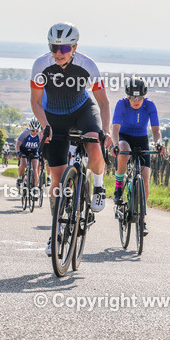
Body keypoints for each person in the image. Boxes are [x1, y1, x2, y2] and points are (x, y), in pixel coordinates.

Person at [31, 22, 111, 257]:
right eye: (54, 47)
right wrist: (46, 127)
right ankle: (56, 231)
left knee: (94, 145)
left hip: (82, 110)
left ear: (74, 47)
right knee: (57, 181)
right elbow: (36, 102)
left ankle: (97, 185)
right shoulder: (40, 66)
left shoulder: (88, 66)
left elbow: (104, 103)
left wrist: (104, 131)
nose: (58, 52)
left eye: (64, 48)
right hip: (53, 117)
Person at [110, 77, 163, 235]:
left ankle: (141, 218)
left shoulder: (150, 105)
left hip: (141, 139)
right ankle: (119, 186)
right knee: (124, 149)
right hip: (125, 137)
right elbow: (115, 130)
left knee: (145, 179)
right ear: (127, 96)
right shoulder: (121, 104)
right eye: (133, 97)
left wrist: (159, 143)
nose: (136, 101)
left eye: (140, 97)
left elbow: (155, 130)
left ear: (144, 97)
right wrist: (114, 144)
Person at [17, 119, 42, 192]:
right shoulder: (25, 133)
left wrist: (42, 154)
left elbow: (43, 146)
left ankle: (35, 188)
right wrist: (18, 152)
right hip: (24, 150)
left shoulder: (40, 135)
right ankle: (19, 178)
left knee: (35, 169)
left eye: (36, 131)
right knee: (23, 164)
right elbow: (18, 144)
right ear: (30, 129)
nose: (34, 133)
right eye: (33, 130)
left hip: (34, 151)